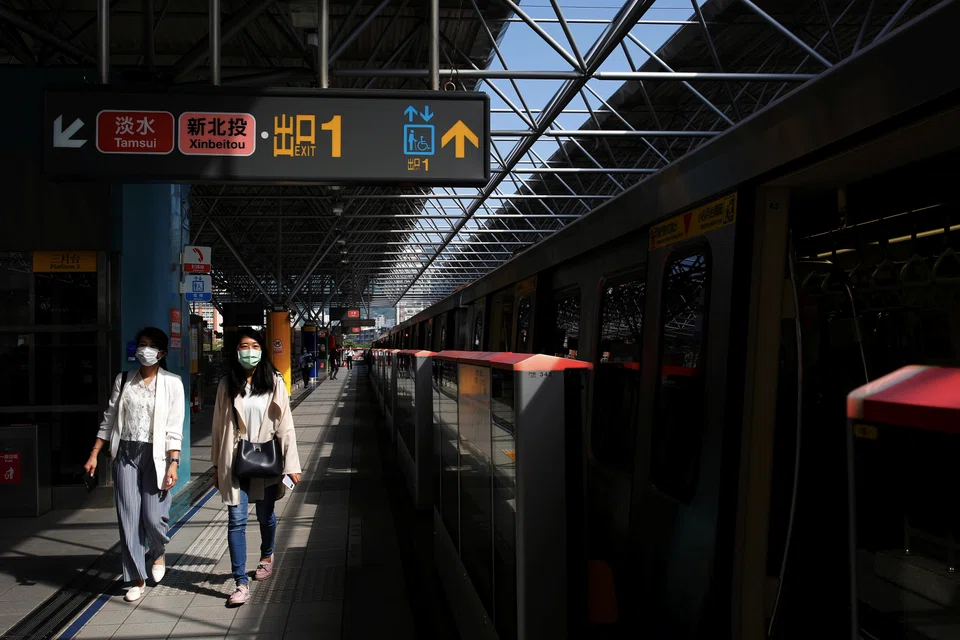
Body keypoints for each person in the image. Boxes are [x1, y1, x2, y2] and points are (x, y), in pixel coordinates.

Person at [85, 327, 184, 603]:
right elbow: (109, 418)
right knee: (128, 518)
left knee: (153, 518)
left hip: (157, 457)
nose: (146, 349)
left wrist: (173, 462)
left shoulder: (173, 383)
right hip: (126, 453)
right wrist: (95, 452)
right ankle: (136, 578)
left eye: (152, 345)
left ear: (162, 353)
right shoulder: (124, 380)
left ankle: (158, 550)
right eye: (142, 344)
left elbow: (174, 428)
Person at [211, 328, 302, 607]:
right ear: (235, 352)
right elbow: (217, 428)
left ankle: (266, 555)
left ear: (261, 350)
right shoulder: (227, 384)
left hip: (267, 458)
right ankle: (240, 581)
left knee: (266, 516)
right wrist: (216, 466)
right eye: (242, 346)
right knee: (236, 521)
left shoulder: (274, 382)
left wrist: (292, 465)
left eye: (253, 345)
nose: (248, 351)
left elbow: (286, 426)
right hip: (234, 461)